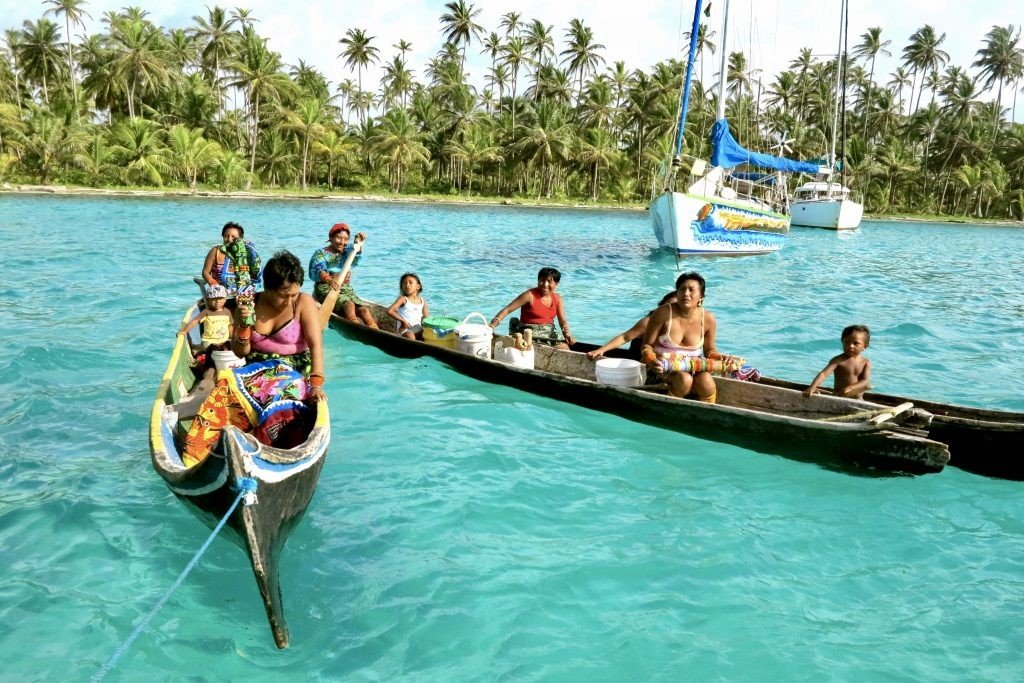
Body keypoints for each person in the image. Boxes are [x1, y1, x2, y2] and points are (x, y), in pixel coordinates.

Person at [232, 250, 327, 401]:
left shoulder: (304, 303)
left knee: (274, 393)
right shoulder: (249, 305)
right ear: (268, 289)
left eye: (293, 295)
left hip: (294, 372)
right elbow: (240, 353)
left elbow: (316, 346)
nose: (289, 302)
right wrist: (243, 327)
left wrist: (316, 386)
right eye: (283, 295)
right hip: (256, 373)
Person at [641, 271, 719, 402]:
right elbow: (647, 346)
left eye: (691, 290)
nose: (686, 294)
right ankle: (667, 409)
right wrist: (652, 360)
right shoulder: (663, 313)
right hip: (661, 369)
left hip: (693, 367)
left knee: (707, 381)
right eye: (682, 289)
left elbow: (710, 351)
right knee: (684, 380)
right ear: (677, 293)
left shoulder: (709, 319)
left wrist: (719, 357)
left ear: (701, 296)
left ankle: (707, 412)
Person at [308, 222, 378, 328]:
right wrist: (329, 280)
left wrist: (357, 242)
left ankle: (375, 332)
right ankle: (356, 328)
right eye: (339, 238)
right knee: (349, 305)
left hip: (345, 288)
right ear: (331, 238)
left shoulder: (346, 251)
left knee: (364, 310)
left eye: (346, 239)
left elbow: (355, 250)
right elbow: (319, 269)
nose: (342, 242)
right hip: (326, 287)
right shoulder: (320, 253)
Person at [489, 267, 575, 350]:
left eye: (549, 282)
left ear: (556, 284)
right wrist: (492, 326)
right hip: (529, 335)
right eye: (542, 280)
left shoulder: (557, 299)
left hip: (549, 335)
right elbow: (507, 310)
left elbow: (562, 322)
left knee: (565, 348)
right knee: (537, 349)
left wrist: (567, 334)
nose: (545, 284)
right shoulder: (529, 295)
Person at [586, 291, 677, 360]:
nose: (670, 311)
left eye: (675, 307)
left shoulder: (682, 326)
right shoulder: (648, 322)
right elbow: (625, 337)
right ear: (660, 307)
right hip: (638, 360)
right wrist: (601, 350)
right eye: (667, 307)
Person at [803, 325, 872, 399]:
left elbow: (865, 380)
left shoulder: (866, 362)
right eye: (847, 342)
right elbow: (824, 374)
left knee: (867, 386)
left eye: (855, 343)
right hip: (839, 397)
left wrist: (851, 388)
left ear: (865, 346)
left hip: (858, 399)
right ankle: (816, 390)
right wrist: (812, 387)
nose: (850, 346)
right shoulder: (838, 360)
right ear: (842, 342)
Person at [202, 221, 262, 295]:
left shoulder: (247, 252)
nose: (229, 239)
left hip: (243, 292)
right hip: (220, 294)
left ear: (241, 238)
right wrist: (212, 281)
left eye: (233, 237)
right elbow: (205, 272)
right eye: (226, 236)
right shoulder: (215, 251)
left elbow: (255, 273)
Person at [179, 284, 234, 351]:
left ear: (225, 299)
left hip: (223, 340)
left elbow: (230, 326)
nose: (217, 301)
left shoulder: (227, 312)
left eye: (220, 298)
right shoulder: (206, 312)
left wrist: (232, 338)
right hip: (209, 341)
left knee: (229, 349)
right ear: (208, 300)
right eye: (214, 299)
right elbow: (195, 321)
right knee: (212, 350)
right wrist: (184, 331)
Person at [387, 272, 430, 340]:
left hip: (418, 331)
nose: (407, 285)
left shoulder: (423, 301)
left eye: (410, 282)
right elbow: (390, 311)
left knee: (430, 333)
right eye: (404, 283)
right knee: (410, 335)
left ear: (418, 286)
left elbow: (426, 318)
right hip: (405, 332)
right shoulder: (403, 299)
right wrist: (403, 321)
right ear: (401, 287)